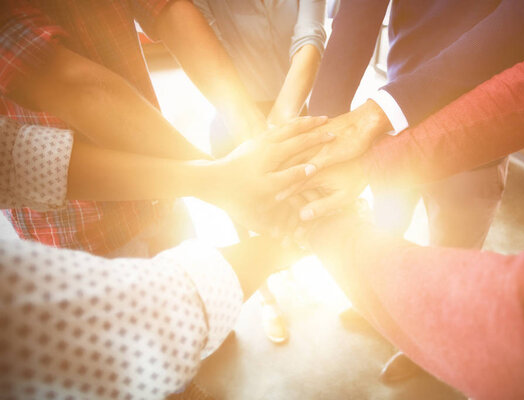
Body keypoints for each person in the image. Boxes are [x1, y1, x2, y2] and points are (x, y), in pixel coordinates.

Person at [301, 19, 524, 400]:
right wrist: (364, 157)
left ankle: (424, 352)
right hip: (399, 128)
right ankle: (390, 317)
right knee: (390, 222)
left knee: (454, 247)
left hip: (471, 149)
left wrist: (329, 232)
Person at [0, 115, 327, 400]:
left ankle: (185, 384)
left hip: (159, 199)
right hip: (83, 229)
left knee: (177, 349)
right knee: (133, 360)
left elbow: (24, 158)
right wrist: (279, 246)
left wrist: (216, 179)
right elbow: (147, 320)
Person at [0, 0, 268, 258]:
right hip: (86, 239)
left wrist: (255, 135)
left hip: (165, 193)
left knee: (202, 293)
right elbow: (63, 82)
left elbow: (166, 7)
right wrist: (223, 180)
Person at [192, 0, 326, 343]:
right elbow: (206, 54)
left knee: (295, 208)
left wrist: (278, 130)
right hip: (234, 117)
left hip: (292, 111)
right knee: (248, 218)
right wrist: (260, 138)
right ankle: (267, 298)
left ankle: (289, 268)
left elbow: (310, 35)